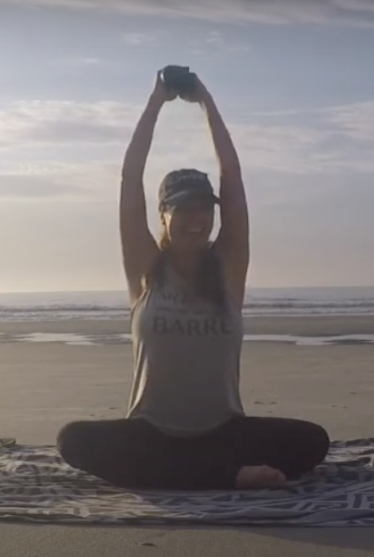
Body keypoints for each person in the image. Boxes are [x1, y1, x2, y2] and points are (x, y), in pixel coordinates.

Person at [56, 70, 330, 491]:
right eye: (184, 209)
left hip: (225, 433)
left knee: (313, 441)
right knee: (73, 440)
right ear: (163, 215)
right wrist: (156, 101)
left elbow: (233, 178)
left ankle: (195, 475)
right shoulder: (146, 269)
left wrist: (206, 101)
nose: (197, 220)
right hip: (151, 435)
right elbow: (130, 179)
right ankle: (228, 478)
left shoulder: (228, 267)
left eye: (205, 209)